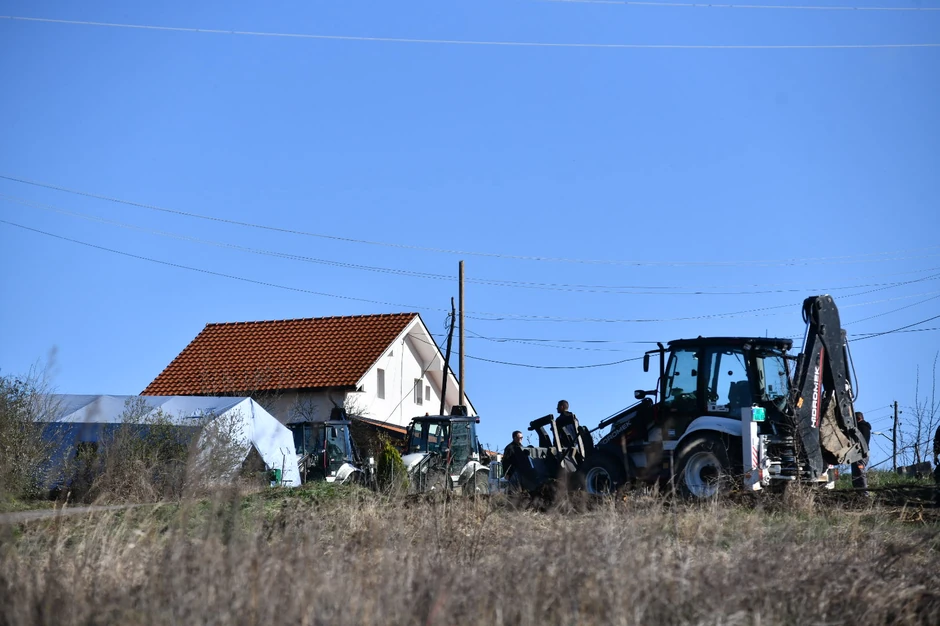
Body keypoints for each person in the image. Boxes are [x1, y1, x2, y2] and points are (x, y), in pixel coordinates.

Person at [851, 412, 872, 492]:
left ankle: (864, 492)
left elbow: (862, 442)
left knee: (860, 473)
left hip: (861, 454)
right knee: (856, 474)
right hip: (858, 454)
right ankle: (858, 492)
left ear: (858, 419)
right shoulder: (863, 427)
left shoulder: (862, 427)